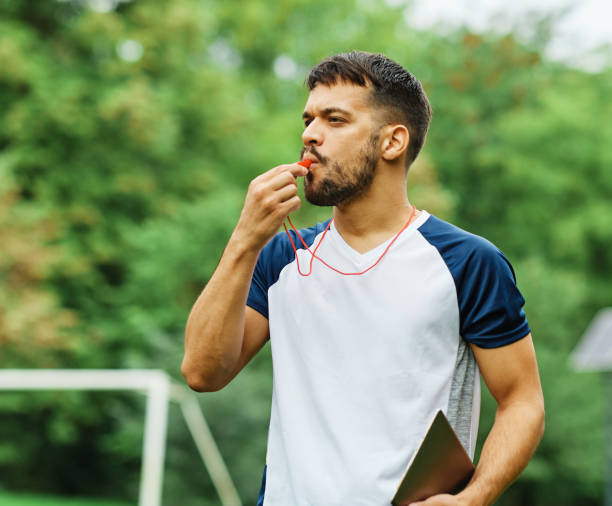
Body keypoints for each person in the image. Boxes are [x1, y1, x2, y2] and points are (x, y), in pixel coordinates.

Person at [181, 51, 545, 506]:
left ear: (392, 142)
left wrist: (474, 498)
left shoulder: (467, 262)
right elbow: (202, 372)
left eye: (334, 120)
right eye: (309, 118)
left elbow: (522, 402)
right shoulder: (281, 255)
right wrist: (243, 242)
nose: (309, 134)